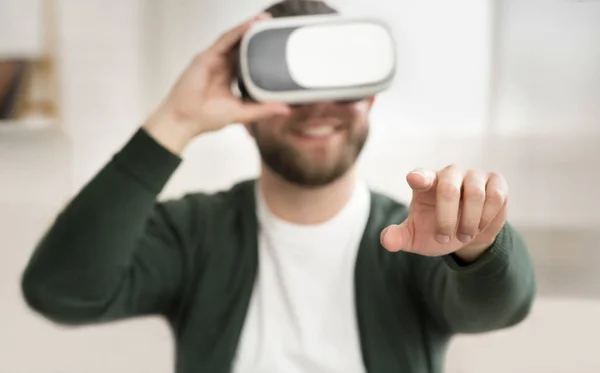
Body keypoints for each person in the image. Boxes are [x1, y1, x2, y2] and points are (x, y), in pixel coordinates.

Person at [20, 1, 536, 372]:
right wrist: (176, 120)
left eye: (339, 86)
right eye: (289, 89)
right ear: (245, 114)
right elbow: (60, 291)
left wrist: (478, 248)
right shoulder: (194, 231)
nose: (316, 110)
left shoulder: (415, 237)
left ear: (371, 102)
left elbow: (501, 308)